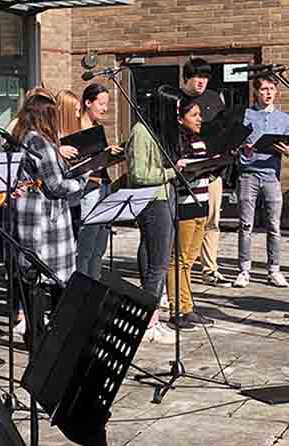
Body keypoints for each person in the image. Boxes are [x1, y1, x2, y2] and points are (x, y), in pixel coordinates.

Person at [11, 93, 91, 341]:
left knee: (32, 282)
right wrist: (83, 177)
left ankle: (35, 336)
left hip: (27, 219)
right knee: (54, 282)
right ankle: (51, 340)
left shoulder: (21, 138)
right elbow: (56, 185)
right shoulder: (40, 143)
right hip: (47, 223)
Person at [233, 76, 289, 289]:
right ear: (256, 92)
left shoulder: (284, 118)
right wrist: (244, 149)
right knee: (245, 225)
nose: (268, 93)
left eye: (271, 89)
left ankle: (274, 270)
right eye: (264, 89)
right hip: (248, 174)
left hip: (271, 176)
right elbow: (235, 145)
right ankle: (244, 270)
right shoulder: (246, 115)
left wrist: (288, 150)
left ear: (276, 92)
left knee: (274, 226)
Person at [126, 104, 175, 343]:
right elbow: (139, 174)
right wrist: (172, 172)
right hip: (151, 200)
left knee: (154, 259)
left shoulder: (156, 131)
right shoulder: (141, 132)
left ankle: (151, 316)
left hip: (163, 196)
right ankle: (147, 322)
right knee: (159, 263)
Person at [179, 57, 231, 287]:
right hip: (187, 174)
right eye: (197, 76)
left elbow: (223, 131)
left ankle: (210, 269)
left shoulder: (213, 99)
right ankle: (183, 268)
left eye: (205, 77)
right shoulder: (176, 100)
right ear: (186, 78)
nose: (201, 81)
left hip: (212, 172)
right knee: (187, 223)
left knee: (212, 221)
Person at [164, 96, 213, 330]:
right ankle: (177, 309)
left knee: (190, 261)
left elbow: (208, 172)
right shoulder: (177, 145)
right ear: (180, 119)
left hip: (203, 204)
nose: (199, 119)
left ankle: (188, 306)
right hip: (186, 206)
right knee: (179, 260)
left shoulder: (201, 142)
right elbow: (178, 177)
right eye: (194, 115)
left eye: (200, 115)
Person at [76, 83, 117, 279]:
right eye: (101, 103)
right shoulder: (75, 128)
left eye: (106, 104)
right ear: (87, 102)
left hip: (104, 186)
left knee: (100, 244)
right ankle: (83, 284)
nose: (104, 108)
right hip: (89, 189)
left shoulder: (98, 128)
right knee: (86, 242)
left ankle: (95, 281)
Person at [55, 89, 83, 238]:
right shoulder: (51, 137)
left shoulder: (76, 134)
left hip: (75, 198)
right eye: (76, 111)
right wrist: (57, 150)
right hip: (59, 203)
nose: (78, 115)